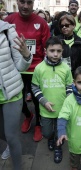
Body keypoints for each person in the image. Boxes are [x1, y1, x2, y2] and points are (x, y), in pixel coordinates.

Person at [5, 0, 50, 142]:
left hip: (35, 69)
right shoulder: (8, 20)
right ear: (17, 2)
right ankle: (28, 116)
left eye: (29, 2)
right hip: (15, 69)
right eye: (22, 2)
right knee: (17, 100)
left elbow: (47, 46)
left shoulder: (41, 23)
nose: (25, 6)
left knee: (37, 100)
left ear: (33, 4)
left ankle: (38, 124)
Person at [31, 36, 73, 163]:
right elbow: (34, 86)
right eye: (52, 50)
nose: (55, 54)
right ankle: (50, 138)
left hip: (62, 109)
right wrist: (43, 101)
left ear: (62, 52)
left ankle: (58, 148)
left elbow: (69, 86)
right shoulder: (39, 68)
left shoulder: (66, 68)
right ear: (45, 51)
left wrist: (68, 100)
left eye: (59, 51)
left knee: (60, 131)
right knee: (47, 132)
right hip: (46, 110)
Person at [0, 20, 33, 170]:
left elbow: (20, 66)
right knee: (3, 134)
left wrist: (26, 56)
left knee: (12, 137)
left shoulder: (7, 31)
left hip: (11, 93)